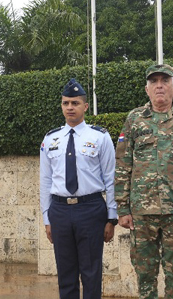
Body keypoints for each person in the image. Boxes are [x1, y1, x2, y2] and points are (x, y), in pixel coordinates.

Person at [115, 63, 173, 299]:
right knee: (145, 275)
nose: (159, 86)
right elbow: (123, 165)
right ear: (147, 89)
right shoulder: (135, 119)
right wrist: (123, 207)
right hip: (142, 211)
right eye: (154, 82)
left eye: (165, 81)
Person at [39, 78, 118, 299]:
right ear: (62, 106)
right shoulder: (50, 138)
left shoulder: (100, 137)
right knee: (66, 274)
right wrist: (47, 219)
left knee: (91, 273)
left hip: (91, 209)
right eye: (66, 103)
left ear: (85, 106)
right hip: (60, 210)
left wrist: (111, 218)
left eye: (74, 103)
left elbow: (110, 178)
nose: (70, 107)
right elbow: (45, 181)